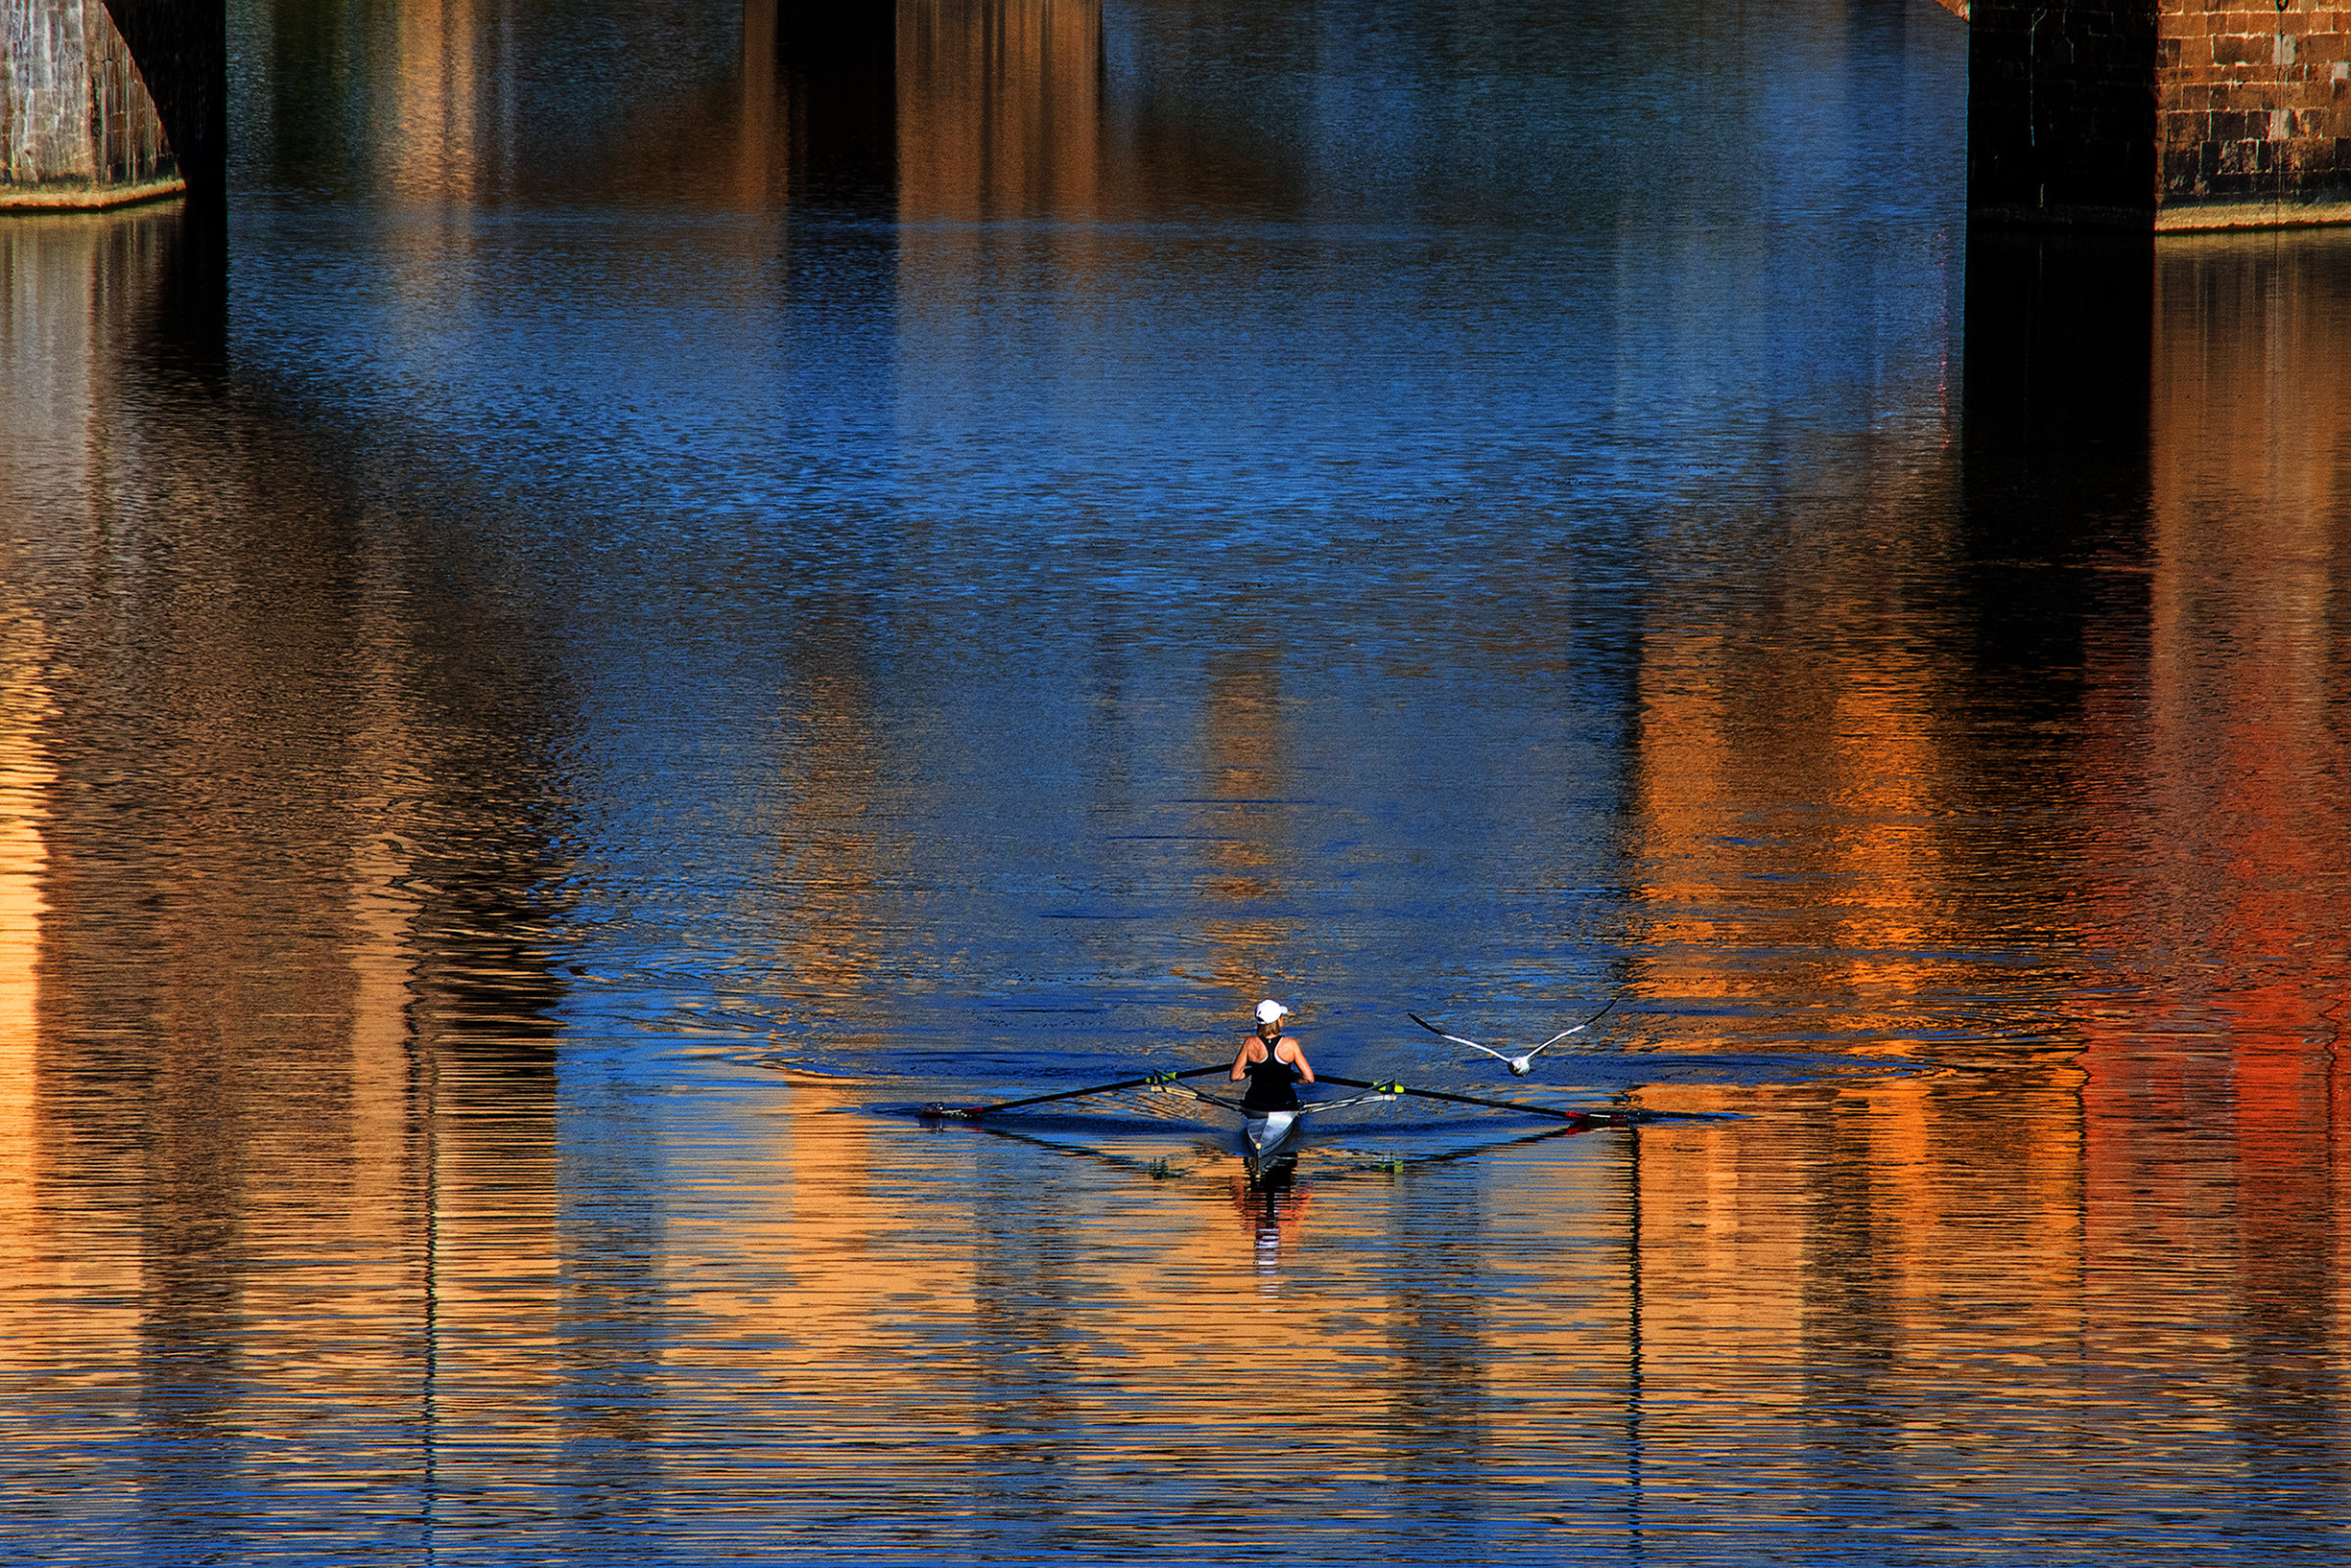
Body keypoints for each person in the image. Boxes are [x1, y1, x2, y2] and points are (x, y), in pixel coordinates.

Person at [1231, 998, 1315, 1113]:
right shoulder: (1290, 1045)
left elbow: (1235, 1076)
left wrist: (1250, 1072)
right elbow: (1309, 1078)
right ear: (1279, 1020)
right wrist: (1290, 1077)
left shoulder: (1249, 1043)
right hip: (1285, 1104)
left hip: (1255, 1104)